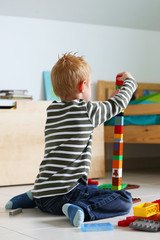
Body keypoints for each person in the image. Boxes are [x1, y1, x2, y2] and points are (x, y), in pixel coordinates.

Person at [5, 53, 137, 227]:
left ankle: (31, 197)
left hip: (42, 193)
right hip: (65, 196)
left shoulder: (52, 111)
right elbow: (117, 104)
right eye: (89, 85)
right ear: (83, 86)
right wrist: (130, 82)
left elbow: (96, 110)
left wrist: (110, 100)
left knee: (92, 188)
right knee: (123, 198)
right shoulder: (87, 111)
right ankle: (82, 209)